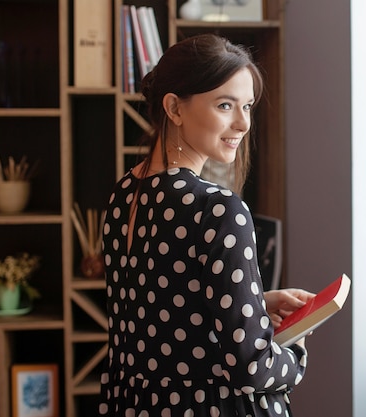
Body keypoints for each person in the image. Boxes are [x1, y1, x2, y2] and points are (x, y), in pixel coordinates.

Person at [98, 33, 314, 417]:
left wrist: (251, 305)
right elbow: (254, 366)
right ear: (174, 108)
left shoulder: (123, 195)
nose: (243, 122)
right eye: (225, 105)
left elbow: (156, 315)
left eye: (247, 106)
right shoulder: (218, 209)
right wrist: (295, 347)